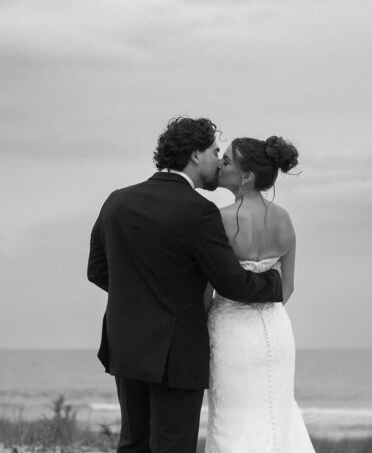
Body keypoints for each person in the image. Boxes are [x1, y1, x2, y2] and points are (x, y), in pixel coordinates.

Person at [87, 117, 284, 453]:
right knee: (172, 447)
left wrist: (140, 297)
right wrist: (273, 283)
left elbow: (97, 270)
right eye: (214, 152)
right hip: (176, 353)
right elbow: (232, 283)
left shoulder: (116, 201)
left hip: (127, 345)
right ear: (195, 155)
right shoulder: (198, 211)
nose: (217, 161)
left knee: (133, 445)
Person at [204, 135, 315, 453]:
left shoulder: (220, 219)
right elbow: (287, 287)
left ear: (247, 177)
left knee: (233, 419)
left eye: (226, 161)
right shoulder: (284, 218)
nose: (220, 165)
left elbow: (207, 289)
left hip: (232, 333)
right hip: (277, 330)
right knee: (277, 414)